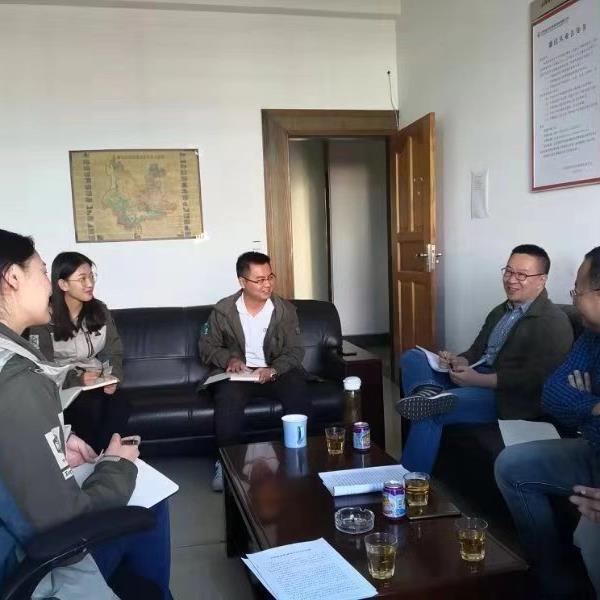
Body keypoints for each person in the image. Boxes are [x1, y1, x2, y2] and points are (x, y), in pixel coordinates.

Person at [0, 229, 171, 598]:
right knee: (149, 502)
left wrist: (60, 438)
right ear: (12, 277)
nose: (47, 285)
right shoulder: (16, 379)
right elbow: (64, 521)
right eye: (41, 272)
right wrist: (117, 466)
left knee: (115, 403)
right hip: (31, 568)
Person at [396, 244, 573, 473]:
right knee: (413, 357)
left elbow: (537, 379)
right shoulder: (501, 311)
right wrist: (458, 361)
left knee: (429, 412)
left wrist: (478, 380)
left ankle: (409, 485)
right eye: (508, 271)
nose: (511, 280)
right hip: (477, 377)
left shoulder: (553, 321)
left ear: (542, 280)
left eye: (521, 275)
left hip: (507, 398)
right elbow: (476, 351)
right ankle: (427, 391)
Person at [496, 246, 600, 598]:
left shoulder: (551, 321)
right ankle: (548, 576)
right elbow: (553, 394)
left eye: (577, 291)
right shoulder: (591, 336)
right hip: (592, 448)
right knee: (512, 465)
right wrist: (594, 406)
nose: (573, 299)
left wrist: (582, 405)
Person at [199, 251, 313, 491]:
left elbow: (295, 350)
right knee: (227, 397)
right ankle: (225, 464)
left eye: (270, 277)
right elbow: (207, 346)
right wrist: (230, 359)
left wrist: (274, 369)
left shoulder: (284, 310)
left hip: (275, 370)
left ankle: (300, 458)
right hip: (241, 374)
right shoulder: (223, 310)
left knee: (297, 390)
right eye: (259, 280)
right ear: (242, 282)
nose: (267, 284)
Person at [27, 251, 127, 450]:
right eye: (82, 278)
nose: (90, 283)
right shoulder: (43, 318)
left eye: (91, 276)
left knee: (121, 404)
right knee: (88, 408)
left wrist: (112, 376)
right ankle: (96, 457)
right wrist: (77, 379)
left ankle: (103, 457)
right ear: (63, 284)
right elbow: (42, 366)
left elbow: (113, 350)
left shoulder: (99, 310)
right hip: (63, 386)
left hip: (96, 380)